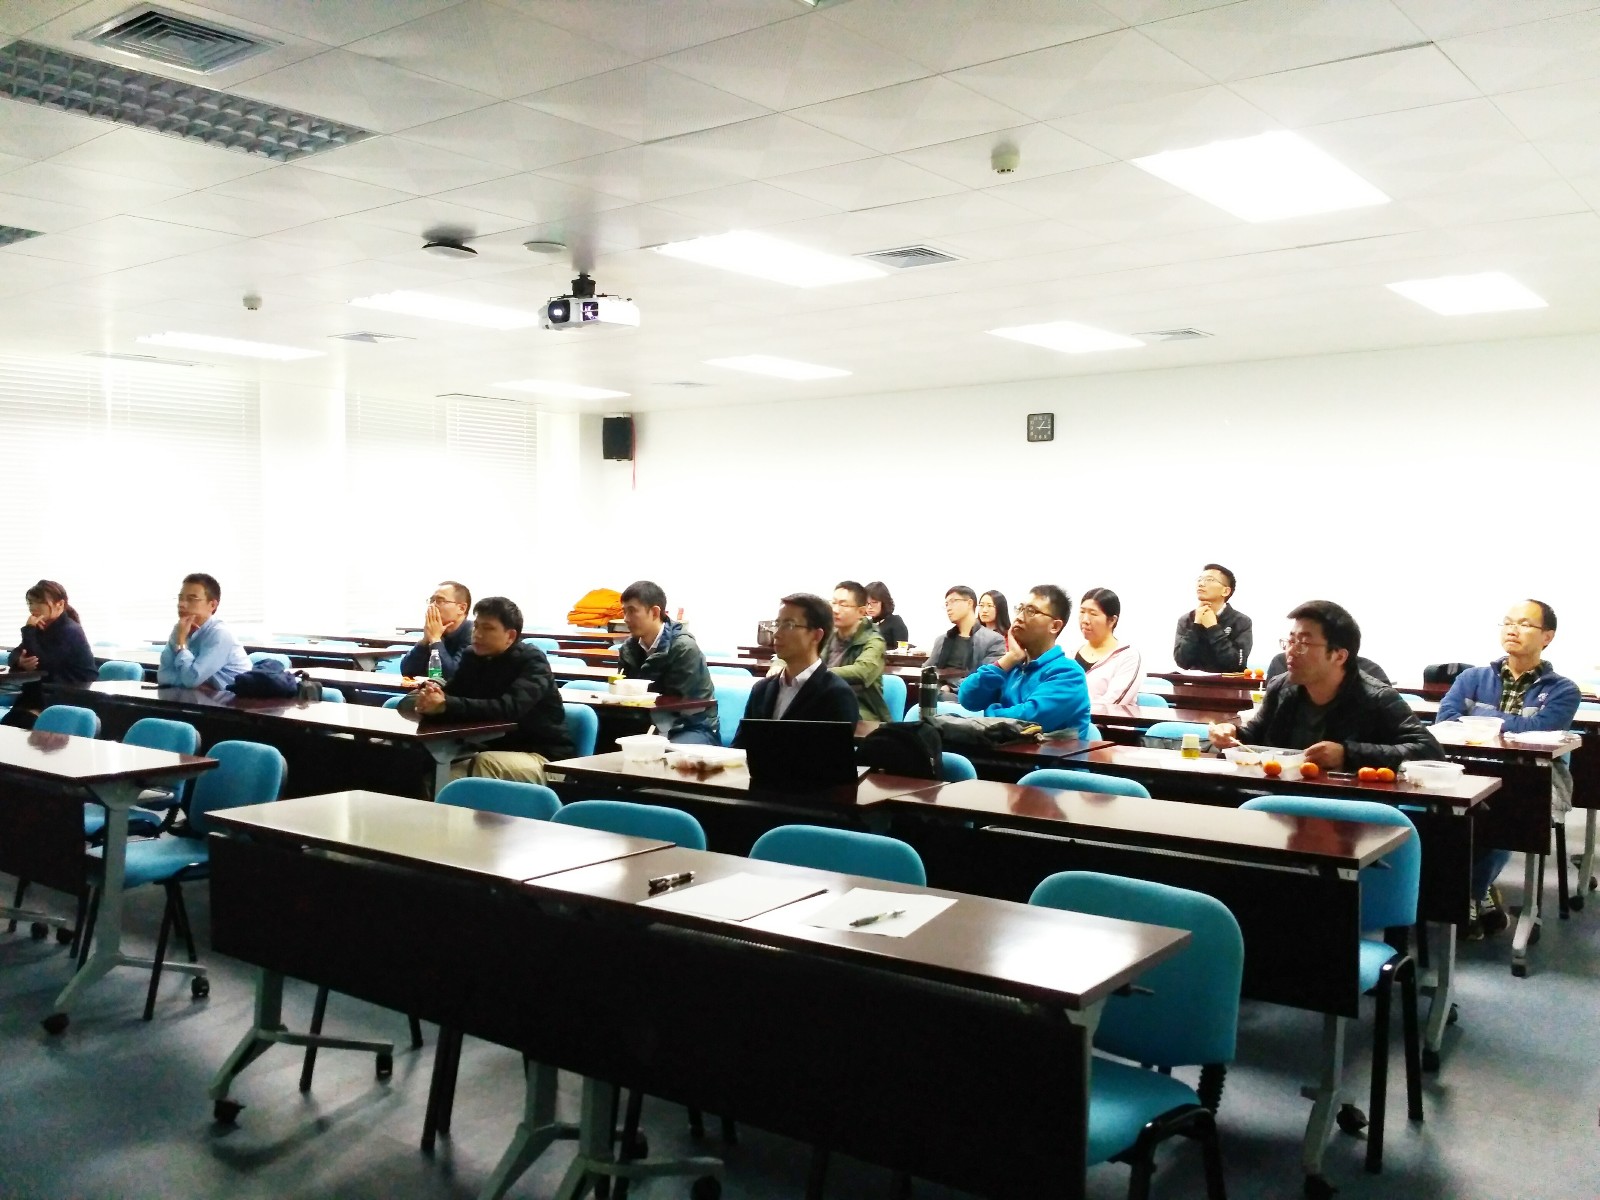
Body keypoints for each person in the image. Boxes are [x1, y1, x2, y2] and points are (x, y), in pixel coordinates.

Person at [1437, 599, 1581, 939]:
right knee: (1444, 811)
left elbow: (1541, 731)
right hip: (1467, 770)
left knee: (1505, 809)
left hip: (1531, 779)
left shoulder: (1562, 689)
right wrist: (1510, 725)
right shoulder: (1472, 678)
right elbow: (1446, 720)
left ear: (1547, 636)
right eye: (1507, 622)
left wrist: (1479, 719)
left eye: (1525, 624)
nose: (1513, 629)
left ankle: (1469, 894)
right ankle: (1478, 891)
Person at [1209, 600, 1442, 770]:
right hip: (1285, 795)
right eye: (1290, 641)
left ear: (1339, 656)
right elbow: (1255, 737)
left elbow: (1430, 752)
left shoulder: (1376, 697)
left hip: (1347, 806)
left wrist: (1348, 754)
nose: (1291, 652)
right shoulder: (1281, 687)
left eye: (1303, 643)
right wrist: (1232, 734)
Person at [412, 596, 575, 783]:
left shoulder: (532, 660)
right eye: (476, 626)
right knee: (420, 767)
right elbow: (452, 696)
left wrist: (446, 704)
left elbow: (509, 708)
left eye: (488, 628)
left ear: (510, 636)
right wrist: (431, 700)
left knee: (482, 765)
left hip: (544, 758)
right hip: (489, 750)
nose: (477, 634)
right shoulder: (473, 656)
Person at [958, 584, 1091, 738]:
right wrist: (1010, 658)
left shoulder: (1069, 673)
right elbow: (968, 698)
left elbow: (1027, 720)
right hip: (1003, 750)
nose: (1019, 617)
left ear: (1054, 626)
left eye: (1031, 611)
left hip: (1048, 754)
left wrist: (987, 714)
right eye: (1020, 609)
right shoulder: (1014, 666)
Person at [617, 579, 718, 745]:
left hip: (693, 726)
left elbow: (682, 705)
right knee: (606, 739)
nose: (626, 619)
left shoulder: (684, 648)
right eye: (624, 612)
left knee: (663, 752)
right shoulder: (629, 648)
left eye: (632, 611)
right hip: (648, 723)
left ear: (655, 612)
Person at [741, 592, 859, 728]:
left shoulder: (837, 695)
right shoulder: (761, 690)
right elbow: (743, 740)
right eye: (777, 624)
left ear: (816, 635)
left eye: (789, 625)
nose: (777, 634)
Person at [3, 580, 97, 728]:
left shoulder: (70, 630)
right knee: (11, 723)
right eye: (30, 603)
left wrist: (29, 630)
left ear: (60, 604)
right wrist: (20, 661)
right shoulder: (41, 627)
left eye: (39, 603)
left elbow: (44, 663)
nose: (33, 608)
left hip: (66, 695)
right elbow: (15, 654)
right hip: (40, 693)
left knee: (17, 723)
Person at [158, 573, 251, 690]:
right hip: (201, 697)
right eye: (180, 598)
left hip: (236, 699)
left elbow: (191, 680)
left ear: (212, 605)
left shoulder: (220, 634)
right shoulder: (179, 629)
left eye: (191, 599)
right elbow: (163, 676)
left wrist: (181, 643)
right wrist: (194, 684)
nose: (182, 604)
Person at [822, 580, 890, 722]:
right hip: (828, 703)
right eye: (833, 603)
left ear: (861, 612)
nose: (835, 610)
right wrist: (780, 663)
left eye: (843, 605)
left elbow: (861, 672)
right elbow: (800, 650)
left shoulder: (874, 641)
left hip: (862, 712)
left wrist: (817, 673)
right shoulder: (827, 635)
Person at [1174, 564, 1253, 672]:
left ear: (1225, 591)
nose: (1201, 584)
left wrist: (1213, 628)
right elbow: (1182, 662)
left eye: (1209, 580)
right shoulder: (1186, 620)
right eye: (1199, 580)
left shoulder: (1241, 621)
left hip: (1228, 682)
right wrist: (1196, 626)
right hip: (1194, 681)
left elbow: (1236, 664)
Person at [1074, 588, 1143, 706]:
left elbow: (1113, 703)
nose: (1085, 620)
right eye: (1082, 612)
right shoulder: (1071, 653)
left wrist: (1071, 710)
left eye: (1093, 614)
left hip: (1105, 718)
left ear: (1112, 620)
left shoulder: (1128, 656)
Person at [924, 586, 1005, 682]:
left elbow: (984, 677)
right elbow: (927, 670)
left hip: (967, 690)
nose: (948, 608)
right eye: (946, 604)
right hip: (937, 688)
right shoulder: (941, 640)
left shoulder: (994, 640)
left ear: (969, 603)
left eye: (953, 601)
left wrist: (950, 688)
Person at [401, 581, 473, 679]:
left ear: (461, 608)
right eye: (431, 601)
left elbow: (454, 677)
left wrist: (435, 640)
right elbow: (407, 672)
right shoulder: (436, 631)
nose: (432, 606)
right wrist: (424, 641)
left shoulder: (474, 634)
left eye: (439, 601)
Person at [864, 581, 909, 649]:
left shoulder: (895, 622)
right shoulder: (866, 624)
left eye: (874, 602)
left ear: (884, 603)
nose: (869, 607)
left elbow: (902, 651)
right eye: (867, 603)